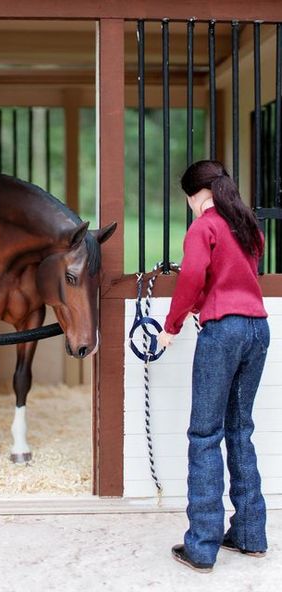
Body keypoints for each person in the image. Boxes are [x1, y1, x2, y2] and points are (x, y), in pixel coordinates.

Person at [158, 160, 269, 573]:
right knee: (241, 430)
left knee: (204, 434)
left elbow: (191, 277)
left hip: (222, 334)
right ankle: (249, 535)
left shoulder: (203, 227)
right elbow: (238, 278)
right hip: (258, 330)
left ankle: (202, 546)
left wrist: (171, 327)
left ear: (194, 194)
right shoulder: (246, 225)